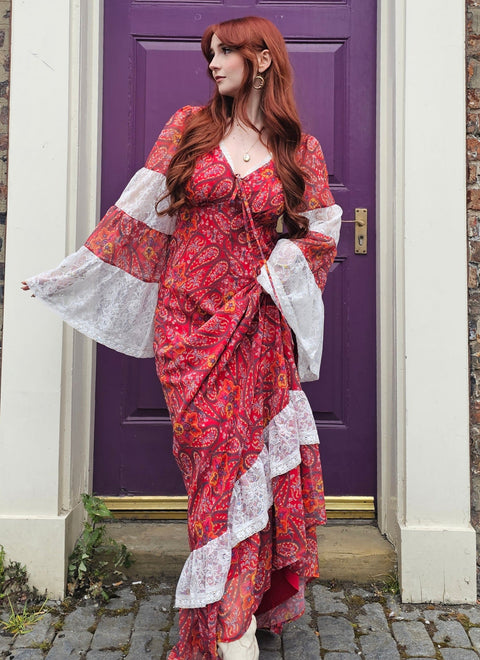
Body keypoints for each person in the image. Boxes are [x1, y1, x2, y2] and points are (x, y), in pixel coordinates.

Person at [22, 15, 342, 660]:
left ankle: (234, 619)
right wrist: (71, 276)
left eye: (225, 52)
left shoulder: (298, 149)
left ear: (262, 60)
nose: (213, 64)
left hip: (257, 324)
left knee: (246, 460)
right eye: (209, 54)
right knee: (209, 461)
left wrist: (277, 270)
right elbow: (134, 218)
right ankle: (227, 607)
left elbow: (320, 235)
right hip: (187, 323)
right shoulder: (187, 129)